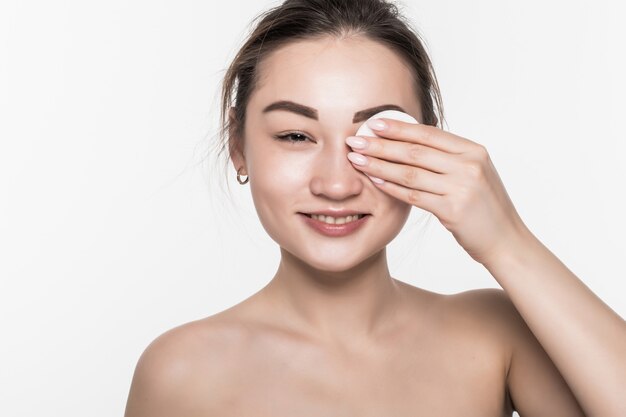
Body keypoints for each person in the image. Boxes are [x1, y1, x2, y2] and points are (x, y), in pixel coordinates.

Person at [124, 0, 626, 415]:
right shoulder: (182, 371)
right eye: (296, 135)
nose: (336, 184)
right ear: (238, 144)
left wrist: (507, 242)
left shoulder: (494, 336)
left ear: (427, 143)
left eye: (373, 137)